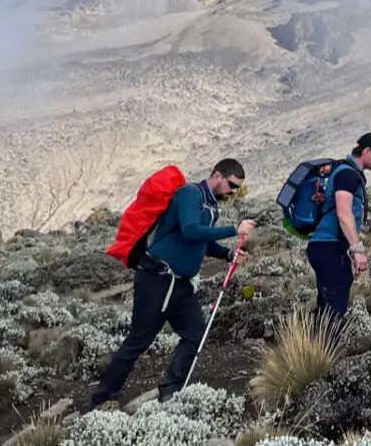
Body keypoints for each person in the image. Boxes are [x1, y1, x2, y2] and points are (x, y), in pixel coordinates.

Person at [88, 161, 255, 408]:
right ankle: (102, 398)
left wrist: (228, 255)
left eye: (237, 188)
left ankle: (171, 389)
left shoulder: (211, 207)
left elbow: (203, 242)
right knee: (139, 340)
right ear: (217, 176)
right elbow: (190, 231)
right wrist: (234, 229)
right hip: (157, 278)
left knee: (195, 333)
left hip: (180, 284)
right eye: (231, 185)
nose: (232, 191)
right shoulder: (190, 194)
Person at [309, 135, 371, 337]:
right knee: (335, 307)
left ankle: (314, 352)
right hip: (328, 246)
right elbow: (344, 213)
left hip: (325, 246)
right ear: (367, 151)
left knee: (327, 303)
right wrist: (358, 250)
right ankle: (325, 357)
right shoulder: (348, 175)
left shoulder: (342, 172)